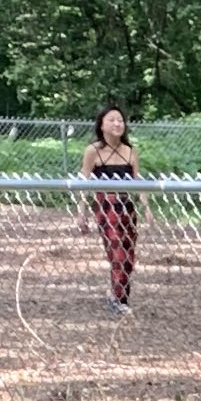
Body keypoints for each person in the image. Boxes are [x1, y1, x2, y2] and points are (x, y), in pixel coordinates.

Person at [82, 104, 138, 307]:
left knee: (128, 256)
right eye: (112, 120)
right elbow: (84, 183)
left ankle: (118, 293)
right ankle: (119, 300)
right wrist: (82, 213)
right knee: (117, 254)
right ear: (101, 125)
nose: (117, 124)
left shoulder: (130, 151)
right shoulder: (93, 151)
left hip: (127, 207)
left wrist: (147, 207)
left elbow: (139, 182)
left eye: (120, 120)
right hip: (106, 206)